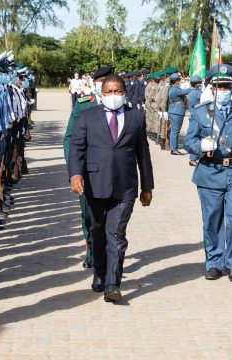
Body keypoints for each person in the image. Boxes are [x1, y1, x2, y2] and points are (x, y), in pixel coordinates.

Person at [68, 74, 154, 302]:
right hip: (95, 184)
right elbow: (76, 148)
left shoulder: (136, 116)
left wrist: (147, 185)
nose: (113, 96)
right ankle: (99, 272)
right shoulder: (88, 116)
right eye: (109, 92)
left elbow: (143, 153)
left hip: (125, 187)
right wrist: (75, 174)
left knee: (116, 234)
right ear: (102, 93)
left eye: (117, 92)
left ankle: (113, 284)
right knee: (98, 231)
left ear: (124, 92)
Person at [184, 64, 232, 283]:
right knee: (212, 220)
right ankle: (214, 262)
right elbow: (189, 141)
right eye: (218, 86)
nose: (223, 90)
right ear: (211, 87)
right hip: (210, 173)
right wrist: (200, 145)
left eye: (227, 86)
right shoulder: (201, 112)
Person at [63, 66, 114, 269]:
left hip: (113, 173)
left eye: (107, 81)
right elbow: (69, 139)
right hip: (89, 173)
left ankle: (110, 255)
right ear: (95, 84)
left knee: (112, 218)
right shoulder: (84, 105)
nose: (104, 85)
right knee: (88, 215)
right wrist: (75, 169)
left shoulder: (124, 107)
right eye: (100, 82)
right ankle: (92, 250)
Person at [168, 73, 191, 155]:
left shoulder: (172, 88)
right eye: (179, 80)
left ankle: (173, 148)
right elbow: (186, 91)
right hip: (177, 112)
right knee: (175, 131)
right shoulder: (176, 89)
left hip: (174, 111)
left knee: (174, 131)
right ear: (176, 81)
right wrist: (192, 87)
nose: (179, 81)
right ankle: (174, 149)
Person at [187, 75, 203, 166]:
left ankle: (194, 158)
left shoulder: (191, 91)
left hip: (192, 115)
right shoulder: (198, 93)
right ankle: (193, 158)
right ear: (197, 84)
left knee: (194, 136)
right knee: (196, 137)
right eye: (200, 83)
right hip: (197, 116)